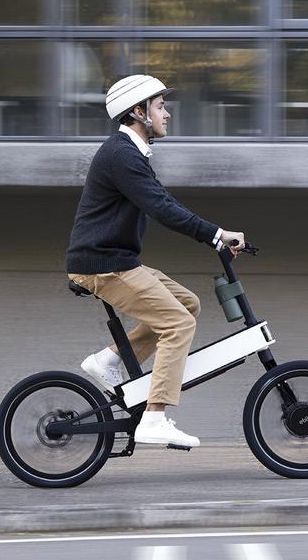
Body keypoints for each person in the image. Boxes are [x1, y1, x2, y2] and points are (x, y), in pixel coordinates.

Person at [65, 75, 246, 449]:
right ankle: (154, 417)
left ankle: (108, 360)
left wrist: (213, 234)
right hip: (104, 264)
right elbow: (162, 208)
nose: (168, 113)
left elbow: (164, 201)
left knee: (187, 304)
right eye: (161, 106)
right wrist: (215, 235)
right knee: (178, 325)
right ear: (138, 112)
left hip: (119, 260)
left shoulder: (130, 153)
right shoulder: (121, 155)